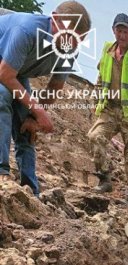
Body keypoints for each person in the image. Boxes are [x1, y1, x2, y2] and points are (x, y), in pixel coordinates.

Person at [0, 2, 91, 196]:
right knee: (2, 97)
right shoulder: (26, 30)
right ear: (55, 19)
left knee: (26, 120)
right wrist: (39, 111)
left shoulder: (69, 47)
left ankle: (30, 190)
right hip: (5, 66)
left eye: (78, 40)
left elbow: (55, 86)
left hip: (17, 70)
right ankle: (1, 173)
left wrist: (34, 117)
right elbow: (5, 75)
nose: (72, 44)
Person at [88, 13, 128, 202]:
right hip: (110, 108)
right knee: (95, 136)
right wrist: (96, 99)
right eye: (119, 31)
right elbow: (101, 78)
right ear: (113, 31)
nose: (122, 35)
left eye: (125, 31)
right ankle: (104, 178)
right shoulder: (107, 50)